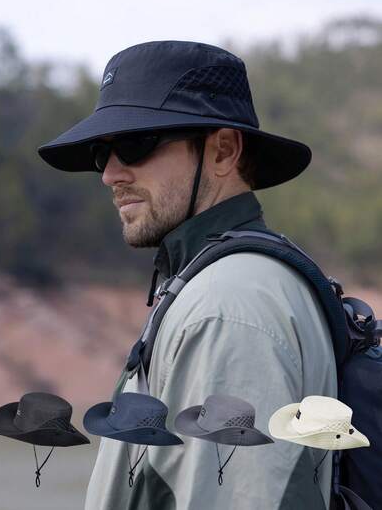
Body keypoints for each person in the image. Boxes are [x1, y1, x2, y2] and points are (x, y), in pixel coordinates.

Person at [38, 40, 337, 510]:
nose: (110, 175)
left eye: (134, 145)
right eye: (102, 152)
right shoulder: (223, 284)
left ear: (222, 151)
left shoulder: (225, 306)